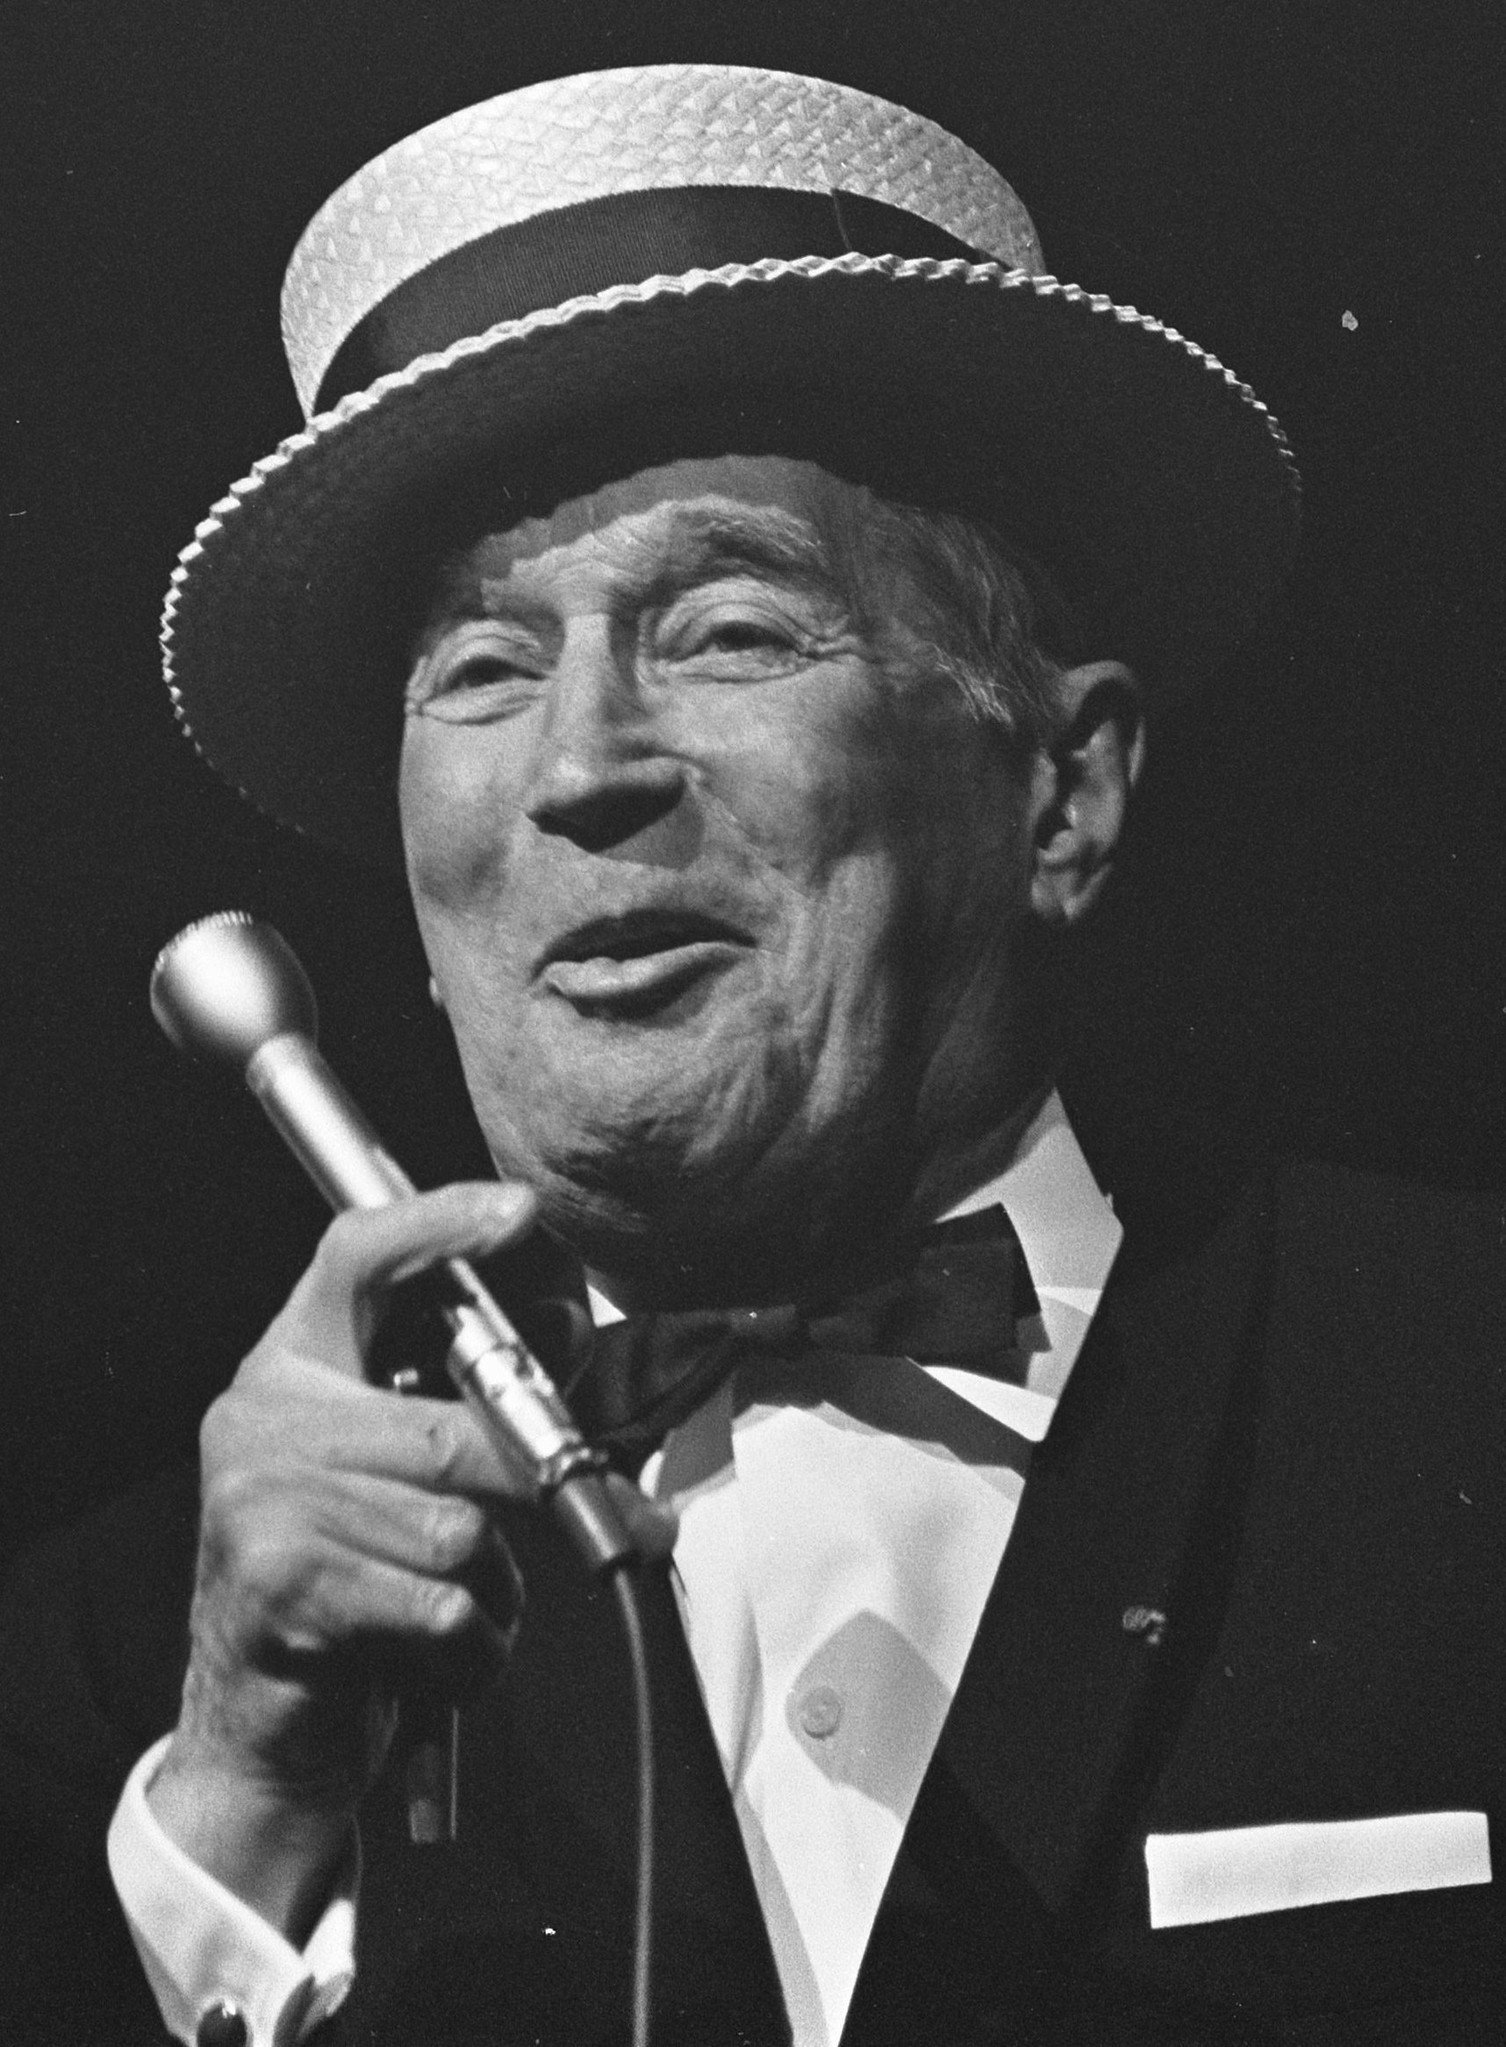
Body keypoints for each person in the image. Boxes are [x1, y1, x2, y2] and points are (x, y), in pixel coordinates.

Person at [1, 62, 1501, 2047]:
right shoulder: (137, 1666)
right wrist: (247, 1808)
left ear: (1059, 793)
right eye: (482, 668)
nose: (581, 770)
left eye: (726, 629)